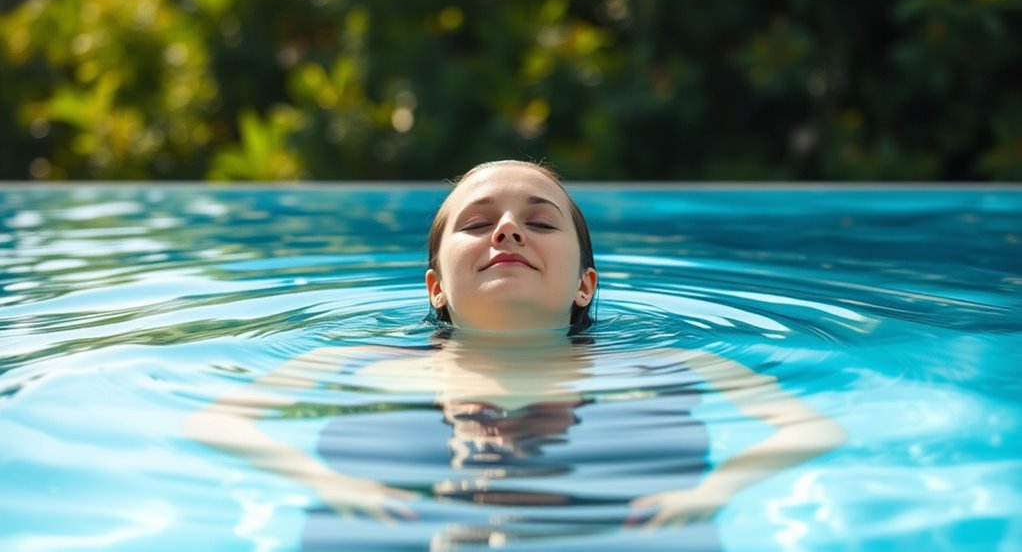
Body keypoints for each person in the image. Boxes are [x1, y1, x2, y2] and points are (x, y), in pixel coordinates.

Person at [184, 160, 846, 548]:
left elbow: (813, 427)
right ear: (436, 287)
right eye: (478, 223)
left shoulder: (670, 367)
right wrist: (327, 481)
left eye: (540, 220)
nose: (506, 229)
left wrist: (717, 488)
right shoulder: (354, 362)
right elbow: (215, 421)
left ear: (585, 283)